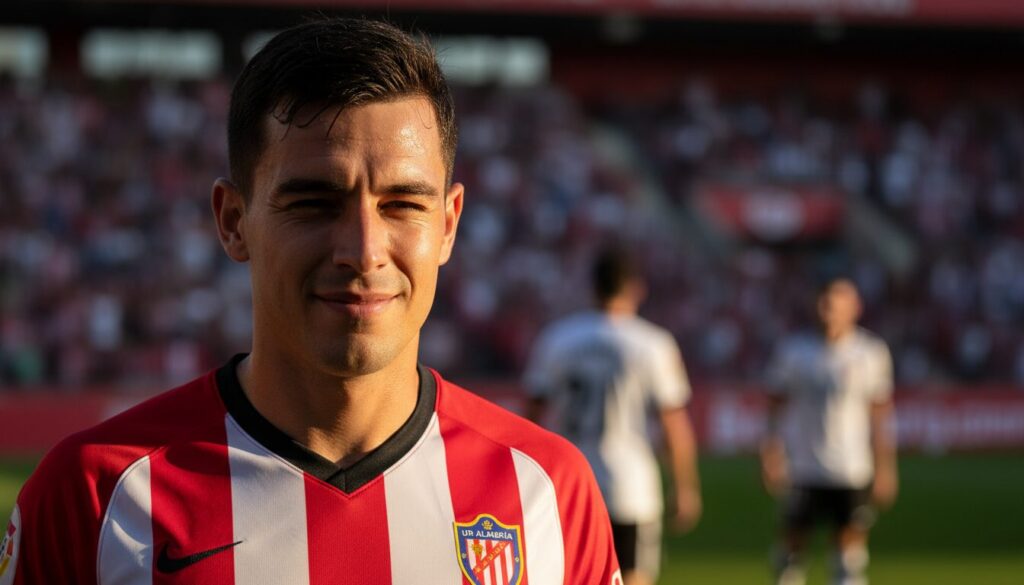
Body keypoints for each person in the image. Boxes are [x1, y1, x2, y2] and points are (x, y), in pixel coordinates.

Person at [1, 18, 622, 585]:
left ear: (448, 224)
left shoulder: (548, 494)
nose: (363, 250)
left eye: (403, 204)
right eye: (313, 203)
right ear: (233, 221)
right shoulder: (93, 497)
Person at [523, 247, 702, 585]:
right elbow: (673, 424)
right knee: (633, 576)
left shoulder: (558, 340)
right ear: (636, 288)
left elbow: (529, 419)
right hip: (631, 487)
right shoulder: (653, 344)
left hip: (570, 484)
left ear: (593, 287)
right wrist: (685, 486)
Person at [760, 277, 898, 585]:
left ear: (854, 308)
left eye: (836, 305)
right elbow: (775, 406)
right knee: (790, 554)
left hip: (851, 468)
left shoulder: (870, 353)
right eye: (824, 304)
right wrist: (770, 452)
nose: (828, 312)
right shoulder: (794, 351)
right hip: (803, 467)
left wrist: (885, 468)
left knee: (848, 558)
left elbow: (880, 415)